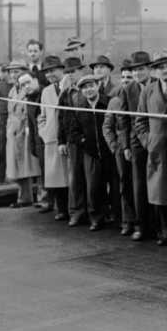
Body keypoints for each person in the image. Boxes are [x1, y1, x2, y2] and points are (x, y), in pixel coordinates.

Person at [135, 52, 167, 245]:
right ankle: (165, 231)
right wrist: (149, 141)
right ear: (156, 70)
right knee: (159, 192)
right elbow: (139, 120)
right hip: (157, 150)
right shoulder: (148, 90)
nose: (166, 70)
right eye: (161, 67)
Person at [69, 75, 113, 231]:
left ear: (98, 85)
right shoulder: (80, 108)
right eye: (85, 88)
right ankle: (96, 218)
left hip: (110, 151)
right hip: (91, 153)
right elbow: (73, 132)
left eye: (91, 86)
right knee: (93, 187)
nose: (88, 90)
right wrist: (83, 141)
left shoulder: (108, 103)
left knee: (115, 184)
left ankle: (117, 216)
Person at [118, 50, 153, 241]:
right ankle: (141, 225)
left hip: (156, 140)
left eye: (141, 69)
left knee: (158, 183)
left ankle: (161, 225)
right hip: (136, 142)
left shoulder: (157, 85)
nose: (138, 73)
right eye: (135, 70)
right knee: (138, 184)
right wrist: (125, 146)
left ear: (149, 69)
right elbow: (122, 120)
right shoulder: (128, 89)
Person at [102, 62, 135, 235]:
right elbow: (107, 126)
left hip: (138, 147)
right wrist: (115, 147)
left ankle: (144, 221)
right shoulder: (115, 100)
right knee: (125, 185)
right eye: (123, 77)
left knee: (139, 185)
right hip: (121, 150)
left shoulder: (139, 96)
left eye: (129, 77)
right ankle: (127, 221)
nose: (126, 81)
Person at [37, 55, 69, 219]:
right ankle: (62, 209)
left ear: (62, 70)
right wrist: (44, 132)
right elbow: (41, 116)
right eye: (47, 72)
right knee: (55, 177)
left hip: (68, 139)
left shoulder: (72, 85)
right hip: (51, 139)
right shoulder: (46, 91)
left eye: (53, 71)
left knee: (71, 177)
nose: (49, 75)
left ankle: (75, 209)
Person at [57, 57, 87, 226]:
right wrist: (61, 141)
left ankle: (95, 212)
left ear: (81, 71)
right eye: (67, 72)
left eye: (73, 71)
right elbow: (61, 118)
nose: (70, 75)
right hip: (73, 141)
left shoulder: (89, 87)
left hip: (90, 140)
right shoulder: (66, 94)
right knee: (75, 177)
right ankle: (76, 212)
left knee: (92, 178)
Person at [6, 67, 42, 207]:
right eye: (12, 72)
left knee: (35, 166)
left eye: (16, 72)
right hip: (14, 133)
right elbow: (11, 112)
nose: (25, 86)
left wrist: (28, 129)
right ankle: (24, 198)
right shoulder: (13, 91)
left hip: (28, 132)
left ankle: (42, 198)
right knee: (19, 166)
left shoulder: (34, 92)